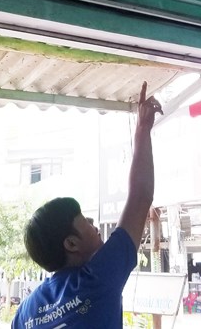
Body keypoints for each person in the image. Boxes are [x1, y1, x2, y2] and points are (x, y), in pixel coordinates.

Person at [12, 82, 162, 329]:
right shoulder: (98, 278)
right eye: (83, 219)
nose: (92, 223)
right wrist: (143, 128)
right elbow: (141, 197)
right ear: (71, 244)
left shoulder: (24, 313)